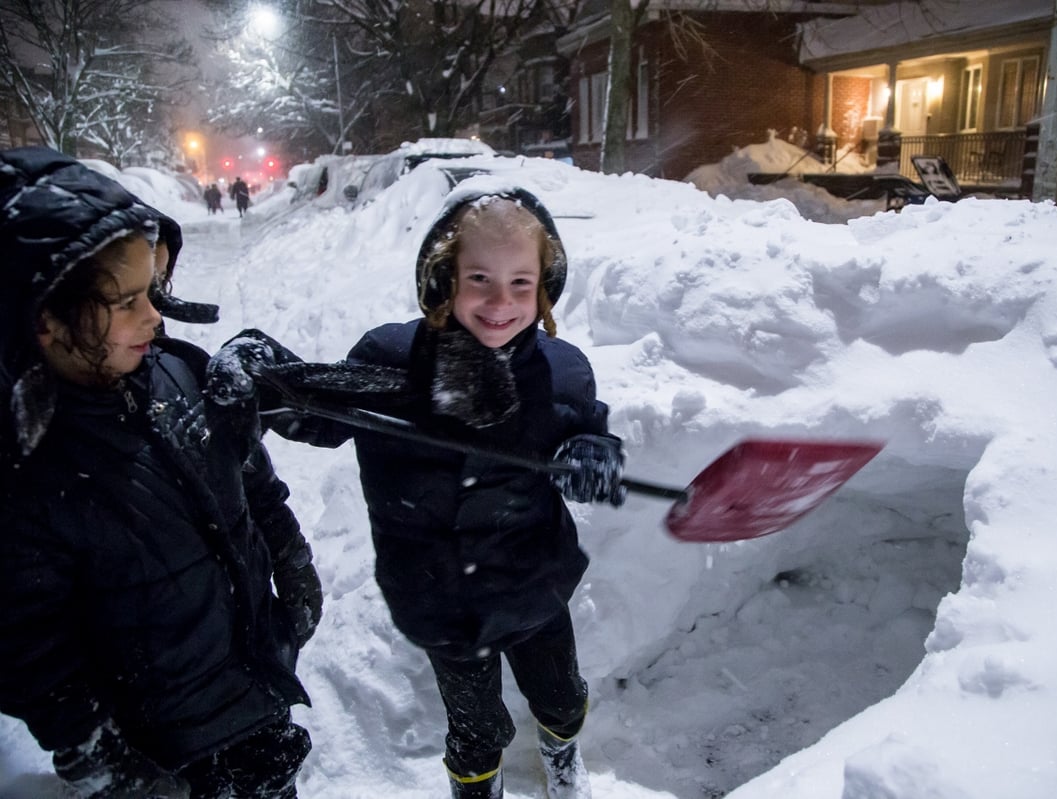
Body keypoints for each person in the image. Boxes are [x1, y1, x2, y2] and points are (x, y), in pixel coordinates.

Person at [210, 182, 624, 799]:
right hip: (441, 595)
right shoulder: (392, 360)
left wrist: (594, 455)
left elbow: (588, 432)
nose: (500, 302)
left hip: (535, 580)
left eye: (521, 282)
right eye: (478, 277)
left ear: (545, 286)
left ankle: (561, 753)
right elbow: (316, 414)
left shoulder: (561, 370)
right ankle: (477, 789)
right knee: (477, 729)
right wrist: (259, 365)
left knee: (561, 698)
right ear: (441, 276)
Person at [0, 146, 322, 799]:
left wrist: (291, 560)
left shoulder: (183, 372)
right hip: (167, 757)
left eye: (155, 290)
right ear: (47, 317)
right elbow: (32, 650)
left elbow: (253, 480)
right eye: (126, 302)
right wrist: (104, 764)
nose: (153, 315)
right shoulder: (28, 472)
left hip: (256, 693)